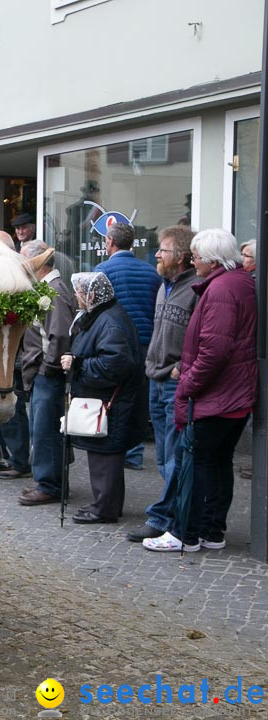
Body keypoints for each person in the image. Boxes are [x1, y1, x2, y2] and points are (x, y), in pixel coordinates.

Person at [143, 229, 257, 552]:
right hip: (231, 394)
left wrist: (187, 384)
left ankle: (185, 533)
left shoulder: (221, 289)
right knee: (217, 463)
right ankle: (211, 531)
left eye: (196, 256)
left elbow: (215, 350)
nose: (193, 261)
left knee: (194, 463)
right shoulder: (237, 283)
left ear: (211, 259)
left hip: (216, 395)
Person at [124, 226, 199, 542]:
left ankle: (166, 518)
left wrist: (180, 368)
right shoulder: (162, 286)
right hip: (155, 377)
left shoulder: (196, 289)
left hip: (173, 381)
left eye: (163, 250)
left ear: (180, 257)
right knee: (165, 455)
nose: (156, 254)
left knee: (173, 455)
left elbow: (203, 338)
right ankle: (170, 514)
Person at [59, 272, 143, 524]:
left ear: (92, 295)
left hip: (111, 402)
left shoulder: (108, 321)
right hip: (106, 400)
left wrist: (78, 364)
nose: (76, 296)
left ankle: (104, 508)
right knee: (104, 455)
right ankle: (105, 504)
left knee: (106, 456)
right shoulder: (103, 317)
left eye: (80, 292)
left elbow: (115, 364)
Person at [94, 222, 159, 472]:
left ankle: (120, 449)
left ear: (110, 242)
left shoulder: (103, 270)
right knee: (139, 399)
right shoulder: (151, 272)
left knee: (117, 398)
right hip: (145, 343)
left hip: (117, 343)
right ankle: (135, 451)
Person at [16, 241, 76, 506]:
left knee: (45, 430)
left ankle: (50, 484)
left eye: (22, 260)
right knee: (42, 429)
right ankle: (48, 481)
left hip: (47, 374)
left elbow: (60, 335)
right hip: (43, 372)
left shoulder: (54, 291)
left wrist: (47, 369)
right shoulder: (47, 289)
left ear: (36, 262)